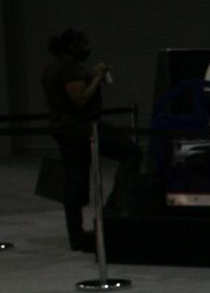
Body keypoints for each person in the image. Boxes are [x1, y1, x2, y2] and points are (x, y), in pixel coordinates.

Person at [41, 28, 142, 251]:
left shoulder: (53, 66)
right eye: (84, 44)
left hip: (65, 130)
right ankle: (115, 205)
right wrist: (97, 76)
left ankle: (76, 236)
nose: (88, 48)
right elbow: (80, 99)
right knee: (132, 152)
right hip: (81, 128)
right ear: (72, 46)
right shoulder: (68, 69)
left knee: (74, 180)